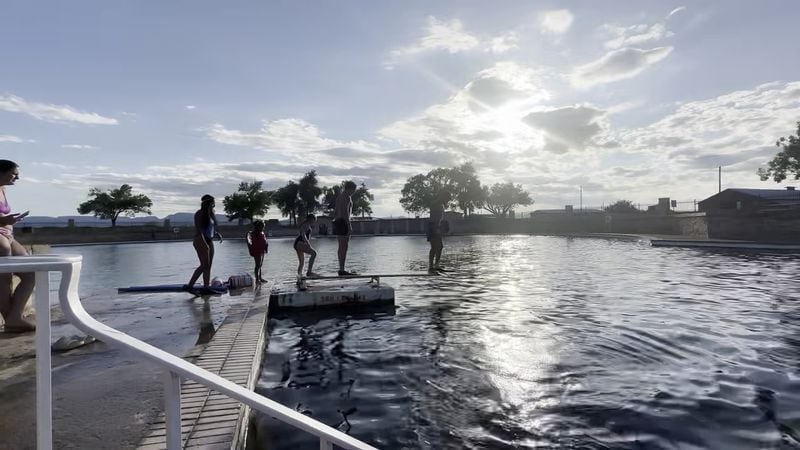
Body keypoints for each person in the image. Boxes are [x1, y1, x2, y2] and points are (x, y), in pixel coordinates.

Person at [0, 160, 35, 332]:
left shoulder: (3, 188)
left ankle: (14, 317)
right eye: (14, 173)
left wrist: (10, 221)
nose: (18, 177)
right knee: (4, 278)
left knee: (30, 272)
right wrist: (3, 220)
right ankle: (12, 321)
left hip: (8, 235)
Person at [185, 194, 223, 291]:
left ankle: (206, 286)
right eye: (212, 202)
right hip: (200, 240)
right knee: (204, 265)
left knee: (208, 265)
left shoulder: (211, 213)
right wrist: (204, 243)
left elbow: (210, 227)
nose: (214, 204)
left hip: (209, 240)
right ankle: (190, 285)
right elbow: (199, 230)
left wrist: (216, 233)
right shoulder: (199, 214)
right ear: (208, 203)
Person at [333, 181, 358, 275]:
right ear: (349, 188)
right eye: (353, 190)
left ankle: (341, 268)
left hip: (338, 221)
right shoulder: (347, 197)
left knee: (341, 246)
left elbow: (336, 211)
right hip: (343, 222)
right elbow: (345, 213)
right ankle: (342, 269)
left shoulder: (339, 197)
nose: (354, 192)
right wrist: (349, 225)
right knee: (344, 246)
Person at [427, 192, 450, 273]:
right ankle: (431, 266)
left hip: (437, 227)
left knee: (439, 247)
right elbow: (433, 217)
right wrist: (435, 228)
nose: (447, 201)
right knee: (434, 247)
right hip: (432, 227)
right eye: (447, 199)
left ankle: (436, 265)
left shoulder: (441, 205)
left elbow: (440, 218)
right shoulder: (435, 204)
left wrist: (442, 227)